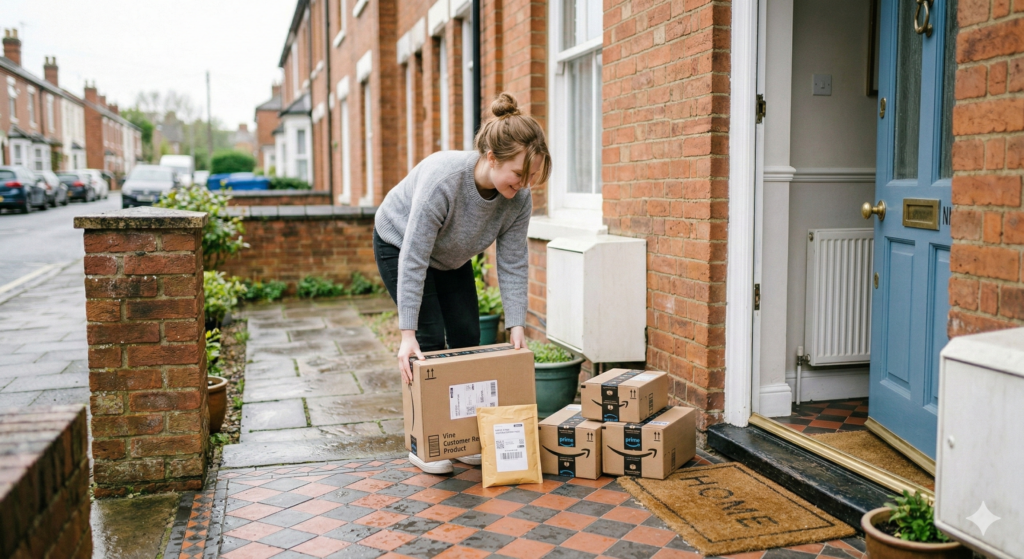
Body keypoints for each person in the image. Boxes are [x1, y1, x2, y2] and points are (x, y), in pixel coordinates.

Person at [373, 92, 551, 474]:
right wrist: (408, 334)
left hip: (451, 257)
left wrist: (516, 324)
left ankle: (462, 438)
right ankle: (427, 443)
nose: (523, 184)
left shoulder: (518, 200)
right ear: (491, 157)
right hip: (399, 243)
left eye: (531, 177)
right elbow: (415, 257)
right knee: (430, 343)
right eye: (519, 174)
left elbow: (513, 260)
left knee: (469, 339)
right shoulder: (444, 180)